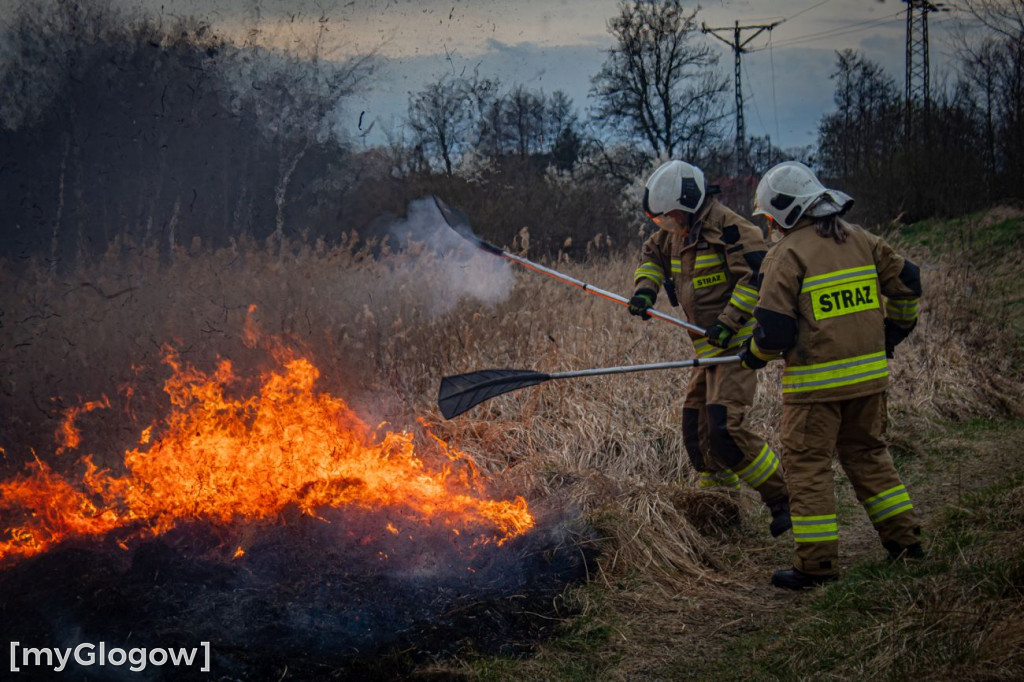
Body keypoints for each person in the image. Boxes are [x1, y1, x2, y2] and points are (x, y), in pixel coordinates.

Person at [738, 161, 923, 589]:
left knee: (808, 469)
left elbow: (773, 329)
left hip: (814, 390)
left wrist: (753, 356)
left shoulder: (785, 254)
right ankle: (906, 542)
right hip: (870, 381)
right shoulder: (860, 238)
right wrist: (892, 332)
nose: (769, 227)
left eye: (769, 218)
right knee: (869, 455)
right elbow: (909, 282)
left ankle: (817, 565)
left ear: (783, 212)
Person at [628, 160, 791, 538]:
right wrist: (645, 291)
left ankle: (782, 498)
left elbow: (756, 280)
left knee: (723, 428)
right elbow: (651, 257)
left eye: (671, 216)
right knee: (695, 430)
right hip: (707, 352)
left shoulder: (734, 230)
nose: (668, 225)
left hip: (736, 347)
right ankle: (721, 513)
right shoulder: (677, 232)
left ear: (690, 203)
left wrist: (728, 321)